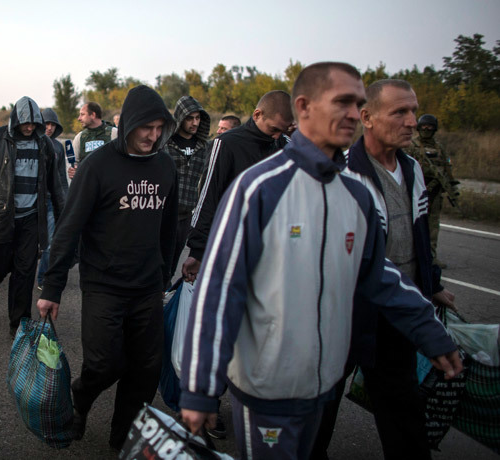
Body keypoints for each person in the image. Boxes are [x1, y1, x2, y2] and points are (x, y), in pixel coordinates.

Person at [178, 62, 462, 460]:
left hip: (322, 385)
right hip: (266, 390)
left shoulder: (356, 195)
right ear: (304, 107)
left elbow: (379, 274)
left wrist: (427, 329)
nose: (353, 114)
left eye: (358, 103)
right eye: (342, 102)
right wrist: (200, 387)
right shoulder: (259, 188)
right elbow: (219, 291)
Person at [310, 80, 455, 460]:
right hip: (345, 314)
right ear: (368, 118)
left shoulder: (412, 170)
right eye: (400, 112)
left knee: (403, 409)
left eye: (413, 110)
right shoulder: (342, 175)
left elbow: (419, 236)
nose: (412, 121)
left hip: (398, 314)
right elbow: (354, 260)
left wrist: (431, 285)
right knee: (320, 407)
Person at [36, 85, 178, 450]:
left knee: (145, 371)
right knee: (104, 364)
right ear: (129, 123)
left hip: (147, 286)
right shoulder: (98, 166)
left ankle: (123, 438)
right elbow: (69, 227)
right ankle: (80, 398)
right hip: (104, 285)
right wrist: (52, 287)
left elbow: (168, 227)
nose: (154, 135)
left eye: (160, 127)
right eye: (147, 126)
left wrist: (164, 276)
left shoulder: (165, 165)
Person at [0, 96, 65, 337]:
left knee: (25, 272)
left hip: (31, 219)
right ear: (15, 120)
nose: (29, 127)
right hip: (1, 217)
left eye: (34, 123)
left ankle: (19, 325)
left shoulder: (45, 144)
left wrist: (65, 218)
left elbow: (57, 185)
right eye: (25, 123)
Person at [183, 90, 294, 282]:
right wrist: (198, 250)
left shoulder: (287, 145)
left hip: (274, 251)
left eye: (282, 131)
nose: (277, 137)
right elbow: (208, 195)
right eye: (273, 129)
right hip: (231, 248)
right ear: (257, 115)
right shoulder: (226, 144)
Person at [163, 96, 211, 278]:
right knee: (158, 261)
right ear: (181, 118)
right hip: (163, 213)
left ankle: (163, 298)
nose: (195, 123)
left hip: (186, 217)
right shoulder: (166, 144)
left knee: (172, 264)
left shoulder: (204, 147)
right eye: (190, 118)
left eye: (198, 118)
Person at [406, 114, 458, 268]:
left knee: (433, 226)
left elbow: (447, 169)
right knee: (412, 224)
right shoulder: (411, 146)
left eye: (430, 126)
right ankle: (410, 254)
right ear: (419, 127)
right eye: (424, 125)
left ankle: (431, 256)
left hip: (435, 193)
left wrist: (452, 188)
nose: (426, 128)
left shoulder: (439, 148)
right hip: (416, 192)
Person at [36, 107, 69, 289]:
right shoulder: (33, 142)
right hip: (31, 202)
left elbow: (62, 178)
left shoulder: (58, 146)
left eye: (52, 124)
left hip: (50, 201)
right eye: (46, 123)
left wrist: (65, 201)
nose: (49, 128)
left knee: (50, 242)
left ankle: (43, 278)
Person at [67, 102, 118, 179]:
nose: (79, 118)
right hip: (87, 186)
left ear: (93, 115)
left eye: (82, 114)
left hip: (110, 185)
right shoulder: (79, 137)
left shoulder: (114, 133)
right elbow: (74, 164)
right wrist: (72, 172)